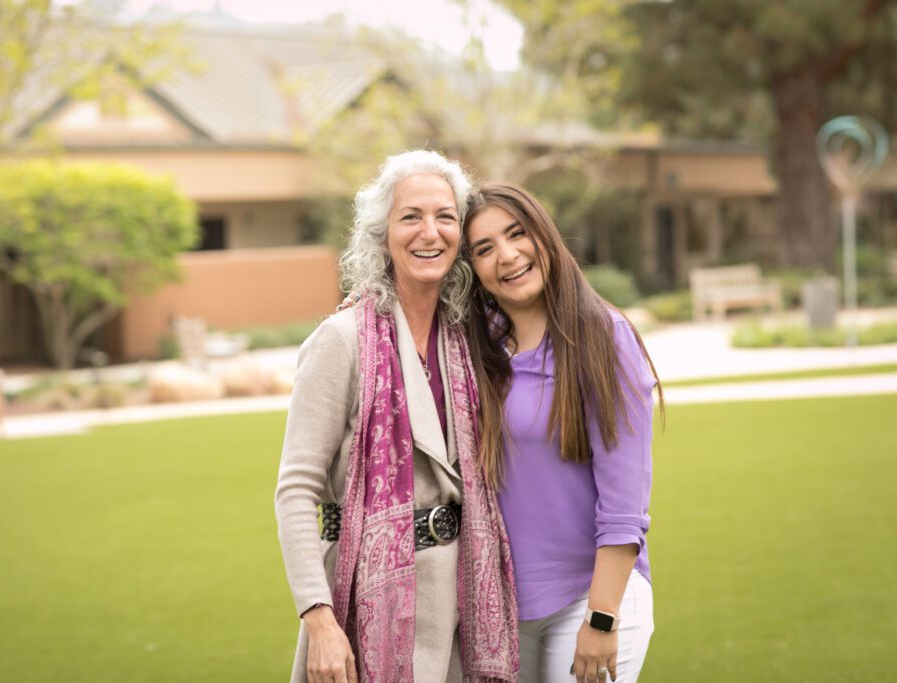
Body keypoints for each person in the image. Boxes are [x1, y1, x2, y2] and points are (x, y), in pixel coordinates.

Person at [275, 151, 519, 683]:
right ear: (380, 232)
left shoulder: (467, 340)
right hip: (366, 602)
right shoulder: (340, 341)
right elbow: (295, 489)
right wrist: (318, 619)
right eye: (410, 216)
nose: (429, 232)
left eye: (445, 217)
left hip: (461, 602)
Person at [462, 184, 662, 683]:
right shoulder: (472, 347)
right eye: (484, 249)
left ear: (544, 237)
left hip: (589, 600)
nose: (507, 256)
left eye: (517, 234)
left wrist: (601, 619)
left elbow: (624, 506)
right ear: (474, 272)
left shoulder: (604, 339)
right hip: (499, 610)